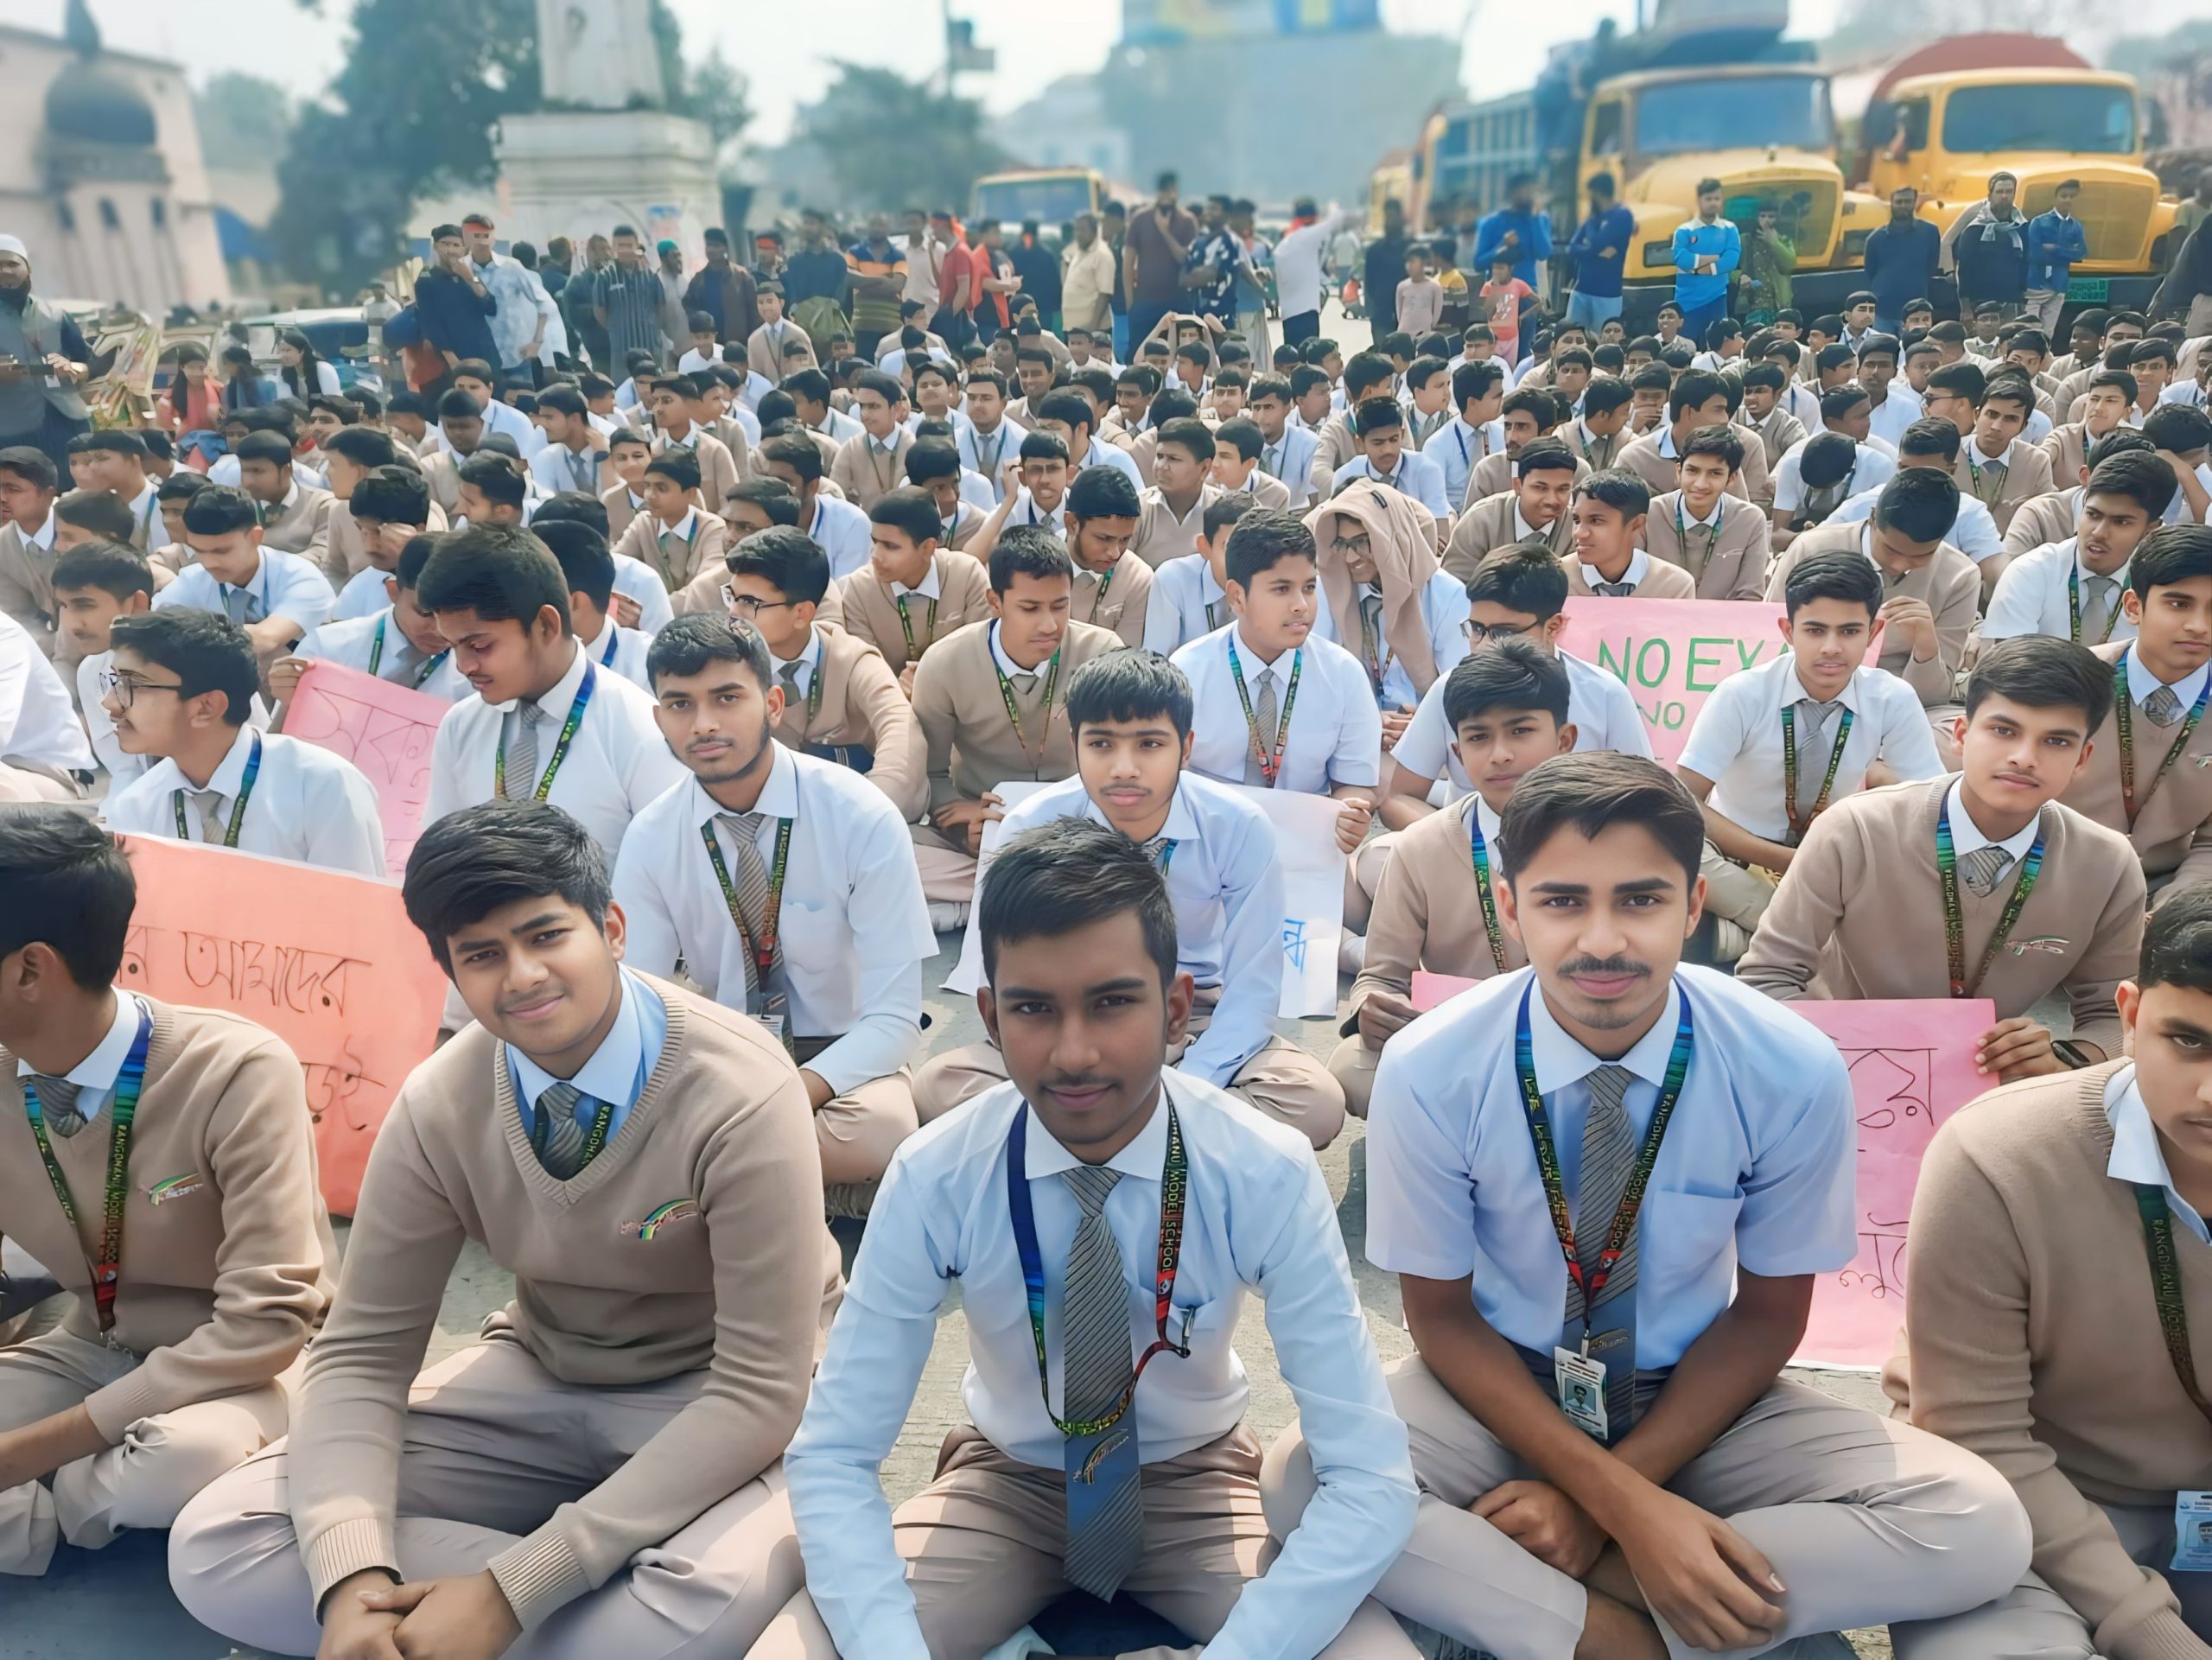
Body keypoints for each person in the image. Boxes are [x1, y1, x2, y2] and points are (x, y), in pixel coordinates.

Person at [169, 798, 833, 1658]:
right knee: (221, 1542)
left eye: (547, 935)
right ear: (450, 970)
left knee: (683, 1609)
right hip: (541, 1371)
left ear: (613, 929)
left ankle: (490, 1620)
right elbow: (364, 1351)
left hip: (714, 1396)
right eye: (481, 955)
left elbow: (757, 1391)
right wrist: (354, 1582)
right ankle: (452, 1623)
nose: (521, 975)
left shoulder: (740, 1088)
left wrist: (511, 1593)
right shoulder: (441, 1100)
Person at [760, 812, 1414, 1659]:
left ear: (1177, 1008)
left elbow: (1369, 1476)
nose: (1073, 1053)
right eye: (1034, 1008)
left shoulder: (1263, 1167)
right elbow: (835, 1452)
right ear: (989, 1019)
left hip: (1196, 1482)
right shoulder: (935, 1171)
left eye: (1111, 1003)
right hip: (1004, 1486)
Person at [0, 806, 333, 1576]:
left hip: (239, 1367)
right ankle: (69, 1508)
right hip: (87, 1347)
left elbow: (266, 1325)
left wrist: (36, 1449)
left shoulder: (237, 1069)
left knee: (181, 1459)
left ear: (30, 969)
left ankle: (38, 1509)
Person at [1885, 882, 2212, 1660]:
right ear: (2129, 1017)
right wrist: (2155, 1632)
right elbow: (1981, 1432)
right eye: (2189, 1040)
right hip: (2025, 1507)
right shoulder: (1999, 1157)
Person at [611, 613, 927, 1205]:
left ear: (773, 702)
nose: (704, 723)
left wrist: (786, 1092)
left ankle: (719, 1192)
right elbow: (642, 1009)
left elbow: (895, 1019)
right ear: (659, 719)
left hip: (842, 1055)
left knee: (882, 1131)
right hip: (727, 1052)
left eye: (727, 697)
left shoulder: (859, 814)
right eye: (680, 705)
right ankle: (811, 1196)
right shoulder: (651, 836)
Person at [1741, 637, 2147, 1077]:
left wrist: (2065, 1058)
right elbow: (1766, 980)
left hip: (1985, 1084)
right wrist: (1853, 1057)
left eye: (2056, 741)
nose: (2024, 758)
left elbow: (2116, 1012)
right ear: (1960, 734)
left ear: (2083, 758)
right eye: (2003, 730)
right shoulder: (1857, 829)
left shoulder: (2107, 864)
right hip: (1835, 1067)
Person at [1331, 641, 1573, 1116]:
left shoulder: (1606, 838)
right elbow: (1382, 974)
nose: (1500, 754)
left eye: (1521, 731)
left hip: (1577, 1038)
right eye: (1479, 738)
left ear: (1564, 740)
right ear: (1458, 753)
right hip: (1460, 1038)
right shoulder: (1421, 847)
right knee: (1351, 1069)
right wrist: (1373, 1010)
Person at [1678, 549, 1945, 949]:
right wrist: (1783, 860)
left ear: (1874, 634)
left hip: (1833, 858)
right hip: (1736, 855)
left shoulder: (1893, 698)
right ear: (1788, 631)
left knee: (1931, 857)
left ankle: (1739, 937)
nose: (1832, 648)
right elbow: (1684, 798)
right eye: (1815, 631)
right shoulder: (1742, 694)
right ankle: (1814, 935)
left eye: (1850, 632)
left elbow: (1932, 804)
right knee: (1673, 846)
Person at [421, 525, 685, 864]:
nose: (464, 666)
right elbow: (441, 860)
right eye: (453, 646)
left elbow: (669, 888)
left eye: (479, 645)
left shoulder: (640, 735)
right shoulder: (461, 726)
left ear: (546, 624)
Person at [908, 530, 1123, 908]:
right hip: (986, 822)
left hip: (1077, 818)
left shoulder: (1103, 653)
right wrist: (967, 824)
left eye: (1060, 606)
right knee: (898, 847)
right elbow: (933, 774)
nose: (1049, 625)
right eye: (1030, 608)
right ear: (995, 602)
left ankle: (993, 892)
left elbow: (1119, 758)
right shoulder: (944, 663)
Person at [1382, 548, 1655, 830]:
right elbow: (1399, 798)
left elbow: (1645, 802)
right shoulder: (1448, 689)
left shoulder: (1605, 695)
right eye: (1476, 629)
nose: (1485, 646)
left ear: (1554, 627)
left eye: (1504, 633)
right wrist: (1463, 849)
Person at [99, 609, 385, 876]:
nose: (110, 703)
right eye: (114, 683)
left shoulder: (323, 786)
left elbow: (358, 916)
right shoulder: (135, 808)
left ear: (206, 707)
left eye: (131, 685)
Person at [1169, 506, 1382, 831]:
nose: (1301, 605)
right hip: (1206, 836)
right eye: (1281, 589)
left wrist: (1349, 814)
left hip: (1305, 839)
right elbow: (1167, 780)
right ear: (1237, 597)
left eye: (1309, 587)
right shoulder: (1187, 672)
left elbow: (1355, 784)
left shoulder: (1343, 675)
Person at [2049, 524, 2212, 900]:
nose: (2199, 626)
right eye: (2178, 603)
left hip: (2170, 885)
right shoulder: (2070, 683)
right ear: (2134, 607)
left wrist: (2174, 905)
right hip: (2057, 873)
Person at [719, 525, 925, 821]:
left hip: (857, 818)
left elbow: (900, 728)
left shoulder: (851, 659)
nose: (734, 613)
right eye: (732, 596)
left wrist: (866, 815)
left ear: (802, 613)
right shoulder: (725, 669)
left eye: (750, 602)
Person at [1765, 469, 1980, 736]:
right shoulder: (1813, 549)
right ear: (1873, 519)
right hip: (1802, 691)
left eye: (1921, 556)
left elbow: (1932, 698)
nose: (1899, 564)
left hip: (1893, 709)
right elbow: (1764, 642)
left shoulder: (1959, 577)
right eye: (1891, 550)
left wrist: (1926, 646)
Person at [1982, 450, 2177, 646]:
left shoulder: (2166, 585)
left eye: (2121, 522)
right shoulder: (2031, 571)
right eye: (2093, 515)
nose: (2099, 533)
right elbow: (2010, 668)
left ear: (2150, 529)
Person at [152, 484, 337, 671]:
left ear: (256, 537)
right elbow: (153, 632)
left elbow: (264, 640)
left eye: (221, 551)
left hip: (307, 685)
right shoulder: (193, 579)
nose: (209, 563)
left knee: (271, 657)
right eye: (199, 551)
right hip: (224, 686)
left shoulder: (300, 577)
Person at [282, 530, 473, 703]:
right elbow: (283, 736)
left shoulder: (481, 669)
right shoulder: (328, 649)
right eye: (425, 613)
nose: (441, 629)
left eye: (458, 616)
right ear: (393, 593)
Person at [839, 485, 991, 683]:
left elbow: (982, 656)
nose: (876, 556)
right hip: (890, 698)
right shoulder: (859, 588)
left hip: (958, 694)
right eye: (875, 542)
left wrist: (930, 683)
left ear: (928, 548)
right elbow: (863, 670)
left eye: (890, 547)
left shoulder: (967, 574)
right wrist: (897, 689)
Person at [1644, 424, 1770, 601]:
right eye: (1692, 471)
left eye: (1715, 473)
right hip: (1657, 619)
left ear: (1731, 478)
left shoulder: (1750, 520)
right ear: (1679, 471)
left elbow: (1750, 594)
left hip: (1722, 624)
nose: (1700, 484)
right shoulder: (1650, 513)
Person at [1446, 437, 1578, 581]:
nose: (1552, 500)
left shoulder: (1579, 526)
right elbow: (1454, 588)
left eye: (1563, 489)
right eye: (1541, 488)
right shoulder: (1480, 522)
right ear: (1518, 485)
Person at [1562, 469, 1693, 600]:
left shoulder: (1673, 587)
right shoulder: (1554, 579)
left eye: (1595, 521)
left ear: (1636, 524)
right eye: (1576, 520)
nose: (1579, 533)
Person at [1956, 373, 2056, 535]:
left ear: (2023, 427)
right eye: (1992, 414)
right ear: (1976, 415)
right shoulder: (1949, 453)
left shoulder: (2036, 462)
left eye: (2010, 419)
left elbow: (2042, 522)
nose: (1996, 426)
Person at [1332, 397, 1451, 518]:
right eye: (1378, 443)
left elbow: (1440, 531)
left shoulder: (1427, 471)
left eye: (1394, 440)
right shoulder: (1345, 477)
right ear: (1360, 444)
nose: (1388, 450)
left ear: (1402, 435)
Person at [411, 224, 503, 380]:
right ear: (436, 247)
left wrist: (470, 278)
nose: (451, 250)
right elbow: (431, 323)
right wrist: (452, 359)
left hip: (485, 352)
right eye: (445, 244)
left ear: (464, 249)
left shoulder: (469, 274)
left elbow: (491, 307)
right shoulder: (427, 278)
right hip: (454, 356)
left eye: (456, 245)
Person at [1667, 178, 1740, 341]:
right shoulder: (1684, 230)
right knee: (1686, 347)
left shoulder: (1729, 229)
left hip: (1717, 299)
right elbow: (1681, 258)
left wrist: (1703, 269)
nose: (1713, 203)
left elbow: (1732, 259)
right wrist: (1714, 259)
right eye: (1708, 199)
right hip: (1687, 302)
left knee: (1718, 345)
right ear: (1699, 201)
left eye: (1717, 198)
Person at [1863, 188, 1942, 336]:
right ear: (1891, 204)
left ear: (1914, 203)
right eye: (1899, 202)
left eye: (1908, 201)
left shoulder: (1930, 232)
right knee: (1882, 352)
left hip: (1916, 309)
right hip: (1884, 310)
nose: (1903, 205)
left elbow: (1932, 265)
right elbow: (1869, 271)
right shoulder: (1876, 238)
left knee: (1916, 353)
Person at [1564, 173, 1632, 331]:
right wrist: (1596, 252)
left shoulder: (1621, 215)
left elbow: (1597, 241)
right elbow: (1572, 248)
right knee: (1571, 335)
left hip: (1607, 294)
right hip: (1581, 290)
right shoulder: (1593, 219)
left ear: (1598, 192)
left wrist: (1589, 247)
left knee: (1603, 339)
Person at [2024, 180, 2090, 334]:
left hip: (2059, 285)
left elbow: (2081, 253)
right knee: (2029, 329)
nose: (2068, 199)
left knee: (2048, 332)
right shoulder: (2039, 222)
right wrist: (2068, 254)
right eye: (2064, 196)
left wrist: (2056, 249)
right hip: (2036, 285)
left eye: (2072, 196)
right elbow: (2034, 253)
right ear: (2055, 198)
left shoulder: (2076, 226)